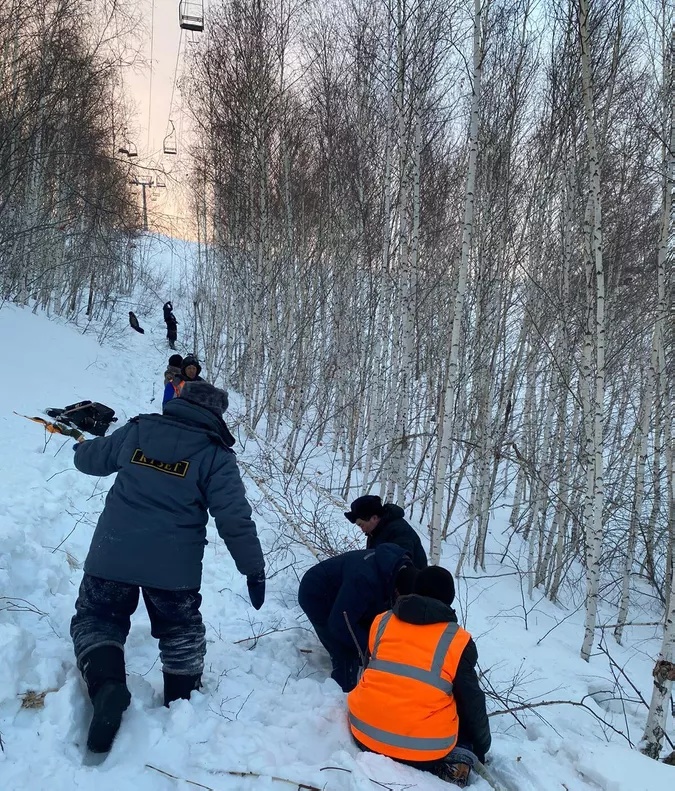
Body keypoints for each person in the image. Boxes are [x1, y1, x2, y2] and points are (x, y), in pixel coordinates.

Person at [70, 380, 265, 753]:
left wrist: (82, 449)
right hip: (174, 568)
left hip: (113, 553)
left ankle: (107, 685)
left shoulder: (138, 430)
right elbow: (234, 518)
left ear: (180, 400)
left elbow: (90, 460)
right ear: (217, 414)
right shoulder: (216, 455)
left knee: (97, 619)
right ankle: (182, 702)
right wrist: (252, 569)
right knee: (180, 631)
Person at [347, 566, 491, 788]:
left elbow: (369, 671)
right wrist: (480, 747)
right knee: (460, 706)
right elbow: (472, 703)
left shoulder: (382, 621)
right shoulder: (457, 640)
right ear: (449, 598)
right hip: (423, 752)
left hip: (364, 732)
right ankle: (457, 763)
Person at [297, 544, 417, 693]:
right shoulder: (364, 579)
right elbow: (340, 624)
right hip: (317, 593)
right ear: (397, 590)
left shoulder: (396, 570)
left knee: (364, 635)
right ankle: (341, 692)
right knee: (345, 649)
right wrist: (371, 649)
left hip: (346, 592)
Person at [344, 495, 427, 569]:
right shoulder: (375, 531)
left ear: (374, 518)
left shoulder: (399, 531)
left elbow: (401, 566)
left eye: (361, 525)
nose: (362, 530)